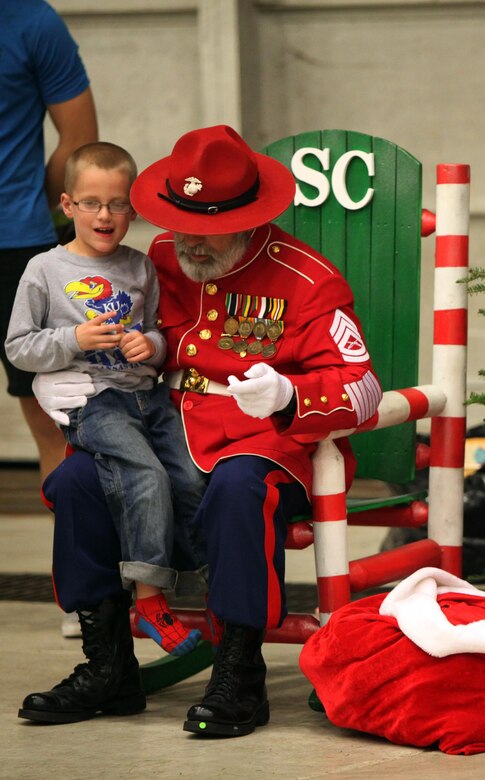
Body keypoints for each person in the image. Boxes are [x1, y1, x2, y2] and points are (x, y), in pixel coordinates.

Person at [17, 125, 383, 733]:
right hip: (161, 423)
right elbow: (126, 340)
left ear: (250, 217)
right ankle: (107, 665)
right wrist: (63, 379)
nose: (191, 243)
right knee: (81, 477)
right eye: (182, 224)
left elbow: (361, 386)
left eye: (210, 233)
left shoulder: (307, 279)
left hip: (263, 440)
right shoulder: (156, 259)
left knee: (240, 488)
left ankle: (239, 675)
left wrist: (292, 395)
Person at [6, 141, 207, 658]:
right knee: (145, 474)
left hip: (149, 396)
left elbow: (162, 336)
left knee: (189, 473)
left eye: (118, 204)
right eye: (91, 203)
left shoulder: (141, 268)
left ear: (132, 210)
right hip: (94, 400)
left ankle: (196, 578)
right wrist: (72, 342)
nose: (105, 215)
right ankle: (149, 598)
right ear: (67, 205)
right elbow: (17, 347)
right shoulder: (44, 270)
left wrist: (153, 346)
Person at [0, 0, 98, 483]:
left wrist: (32, 210)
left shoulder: (31, 20)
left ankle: (75, 559)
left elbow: (79, 142)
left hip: (18, 243)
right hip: (21, 230)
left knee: (52, 417)